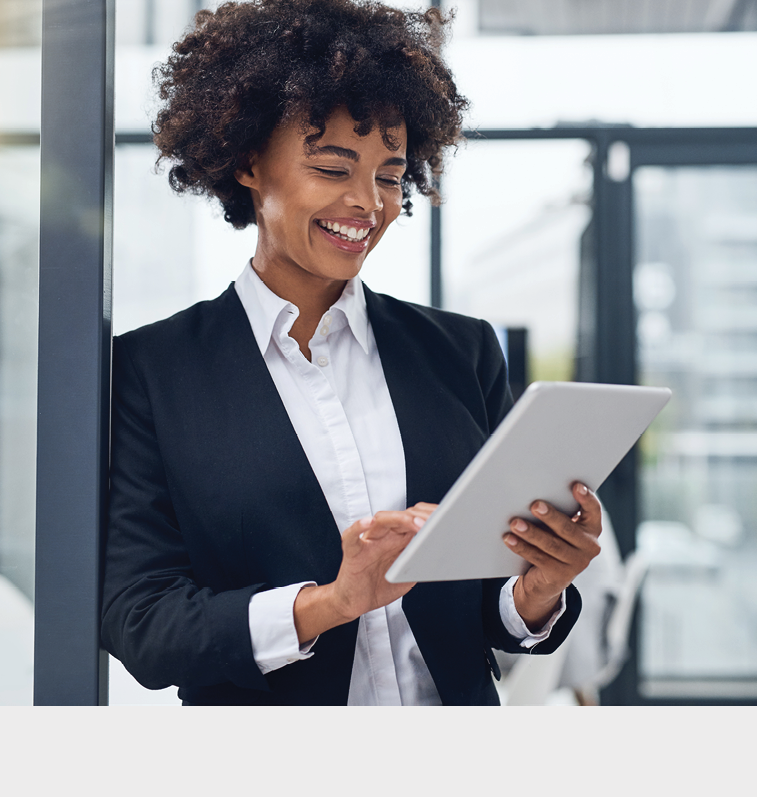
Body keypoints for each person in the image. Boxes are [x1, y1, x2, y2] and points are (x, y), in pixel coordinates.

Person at [101, 0, 602, 706]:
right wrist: (333, 600)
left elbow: (484, 606)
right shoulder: (151, 373)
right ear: (248, 161)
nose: (368, 203)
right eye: (333, 167)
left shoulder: (459, 352)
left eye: (390, 175)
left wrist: (538, 590)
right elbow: (144, 623)